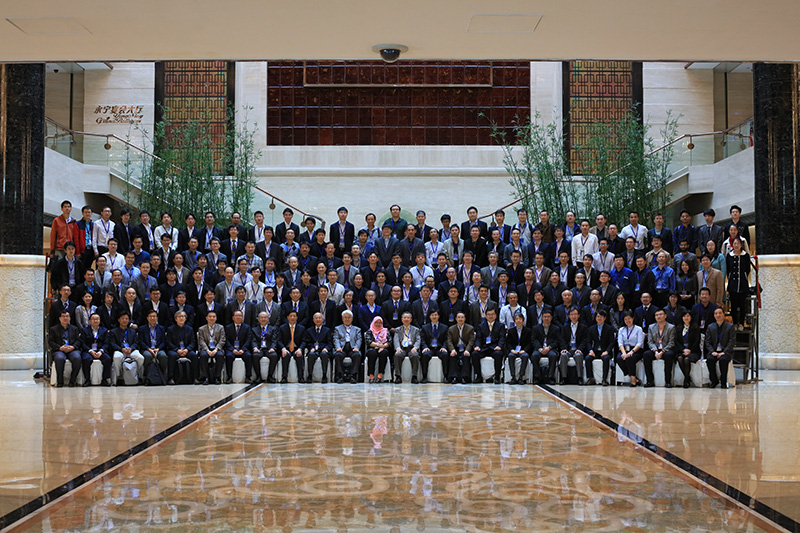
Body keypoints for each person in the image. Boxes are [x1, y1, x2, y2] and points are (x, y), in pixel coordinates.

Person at [643, 309, 676, 388]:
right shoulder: (651, 327)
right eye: (656, 315)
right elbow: (650, 342)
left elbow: (671, 342)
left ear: (665, 316)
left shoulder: (671, 327)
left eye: (660, 314)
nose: (658, 316)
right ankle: (650, 381)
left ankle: (668, 381)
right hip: (655, 349)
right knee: (646, 354)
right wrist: (655, 351)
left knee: (669, 355)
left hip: (666, 349)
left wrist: (662, 351)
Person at [49, 310, 83, 387]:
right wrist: (59, 347)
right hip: (60, 349)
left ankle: (73, 380)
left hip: (72, 349)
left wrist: (73, 347)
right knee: (60, 358)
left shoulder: (74, 328)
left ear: (70, 318)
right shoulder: (53, 329)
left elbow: (78, 340)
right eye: (63, 316)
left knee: (77, 358)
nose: (65, 318)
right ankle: (60, 380)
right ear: (59, 318)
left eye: (67, 316)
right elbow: (51, 342)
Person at [108, 312, 144, 385]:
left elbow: (136, 342)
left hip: (131, 350)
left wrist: (131, 348)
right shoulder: (113, 332)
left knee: (140, 358)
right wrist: (121, 349)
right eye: (123, 318)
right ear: (119, 320)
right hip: (120, 350)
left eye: (126, 319)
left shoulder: (133, 331)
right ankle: (119, 376)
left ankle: (135, 374)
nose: (124, 320)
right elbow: (112, 344)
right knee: (116, 357)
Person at [705, 307, 735, 389]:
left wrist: (724, 352)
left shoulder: (730, 326)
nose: (718, 315)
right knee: (710, 359)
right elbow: (707, 342)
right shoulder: (710, 327)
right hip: (714, 351)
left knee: (723, 360)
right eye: (716, 313)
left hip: (725, 351)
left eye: (720, 313)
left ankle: (723, 381)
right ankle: (714, 380)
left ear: (724, 314)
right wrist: (712, 351)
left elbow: (732, 341)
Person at [725, 237, 751, 330]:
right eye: (734, 243)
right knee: (734, 306)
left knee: (742, 305)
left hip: (743, 284)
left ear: (741, 245)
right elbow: (728, 269)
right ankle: (735, 323)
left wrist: (744, 276)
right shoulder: (729, 256)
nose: (736, 245)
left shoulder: (746, 256)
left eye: (738, 243)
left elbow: (747, 269)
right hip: (732, 284)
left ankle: (741, 324)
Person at [474, 307, 505, 384]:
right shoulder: (481, 326)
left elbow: (502, 337)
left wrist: (499, 346)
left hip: (495, 348)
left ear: (496, 316)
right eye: (489, 314)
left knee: (498, 354)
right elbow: (478, 338)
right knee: (475, 354)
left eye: (492, 314)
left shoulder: (500, 326)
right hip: (484, 348)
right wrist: (477, 346)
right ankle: (478, 376)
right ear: (485, 316)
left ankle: (497, 377)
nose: (491, 316)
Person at [585, 310, 616, 386]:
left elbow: (612, 342)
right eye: (597, 316)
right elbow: (588, 341)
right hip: (595, 351)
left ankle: (604, 379)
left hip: (605, 351)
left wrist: (607, 351)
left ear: (605, 318)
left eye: (601, 316)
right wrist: (590, 350)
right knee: (588, 358)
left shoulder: (609, 328)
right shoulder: (591, 328)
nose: (599, 318)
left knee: (606, 359)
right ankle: (590, 378)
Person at [80, 312, 112, 386]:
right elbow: (82, 343)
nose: (95, 321)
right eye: (93, 319)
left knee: (107, 359)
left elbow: (106, 343)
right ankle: (87, 379)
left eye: (97, 319)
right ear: (89, 321)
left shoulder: (104, 330)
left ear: (100, 321)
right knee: (86, 359)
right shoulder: (84, 330)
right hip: (88, 350)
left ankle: (105, 379)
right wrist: (90, 351)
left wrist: (101, 351)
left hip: (100, 350)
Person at [166, 310, 198, 384]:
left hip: (187, 350)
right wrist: (177, 350)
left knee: (194, 355)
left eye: (183, 316)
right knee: (172, 356)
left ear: (185, 319)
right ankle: (171, 378)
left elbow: (193, 342)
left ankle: (195, 378)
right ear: (175, 319)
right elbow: (168, 342)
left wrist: (187, 349)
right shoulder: (170, 329)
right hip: (175, 350)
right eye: (180, 316)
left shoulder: (190, 329)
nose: (181, 318)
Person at [530, 309, 561, 385]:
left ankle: (550, 377)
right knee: (534, 355)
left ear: (551, 318)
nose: (546, 318)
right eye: (545, 316)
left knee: (553, 355)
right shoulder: (536, 328)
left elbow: (557, 340)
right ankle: (537, 377)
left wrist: (549, 347)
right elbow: (533, 340)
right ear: (542, 317)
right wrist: (540, 348)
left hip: (550, 348)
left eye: (548, 317)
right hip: (539, 348)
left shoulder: (556, 328)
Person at [559, 308, 589, 385]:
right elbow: (562, 340)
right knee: (563, 355)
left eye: (575, 314)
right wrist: (564, 348)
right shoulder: (565, 327)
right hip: (568, 349)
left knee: (578, 356)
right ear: (569, 316)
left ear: (578, 315)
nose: (573, 316)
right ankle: (563, 378)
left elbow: (584, 341)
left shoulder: (583, 327)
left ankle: (580, 378)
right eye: (572, 314)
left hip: (578, 349)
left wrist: (580, 349)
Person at [616, 311, 645, 387]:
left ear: (633, 318)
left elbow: (639, 343)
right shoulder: (621, 329)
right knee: (619, 358)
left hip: (636, 350)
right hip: (624, 349)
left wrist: (631, 352)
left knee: (630, 359)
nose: (627, 321)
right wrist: (624, 353)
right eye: (625, 319)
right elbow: (620, 343)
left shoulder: (638, 329)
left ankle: (633, 380)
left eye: (629, 318)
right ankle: (632, 377)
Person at [224, 310, 254, 384]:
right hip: (231, 349)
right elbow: (226, 340)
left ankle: (248, 377)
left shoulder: (247, 327)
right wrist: (232, 349)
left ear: (242, 317)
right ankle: (229, 377)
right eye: (236, 316)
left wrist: (243, 349)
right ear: (233, 318)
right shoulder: (228, 327)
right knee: (229, 356)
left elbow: (248, 340)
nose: (238, 317)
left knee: (248, 356)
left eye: (240, 316)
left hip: (243, 349)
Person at [138, 309, 168, 382]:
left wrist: (158, 349)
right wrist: (149, 349)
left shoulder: (161, 328)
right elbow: (141, 342)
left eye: (154, 316)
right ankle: (146, 376)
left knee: (163, 356)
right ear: (147, 318)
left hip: (158, 349)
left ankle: (163, 376)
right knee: (147, 356)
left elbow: (164, 341)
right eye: (150, 316)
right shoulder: (142, 328)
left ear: (157, 318)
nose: (152, 318)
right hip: (147, 349)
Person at [197, 309, 226, 384]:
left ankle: (217, 377)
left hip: (217, 348)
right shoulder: (201, 328)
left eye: (213, 317)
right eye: (210, 316)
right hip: (206, 348)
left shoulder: (221, 327)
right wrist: (207, 350)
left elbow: (222, 340)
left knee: (220, 355)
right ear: (206, 318)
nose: (212, 318)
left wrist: (216, 349)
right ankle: (205, 377)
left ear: (216, 318)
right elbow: (201, 341)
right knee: (203, 355)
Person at [278, 310, 307, 383]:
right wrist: (283, 349)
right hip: (286, 348)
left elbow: (304, 341)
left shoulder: (301, 328)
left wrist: (300, 349)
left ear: (297, 318)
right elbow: (279, 340)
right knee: (285, 356)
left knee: (299, 356)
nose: (292, 318)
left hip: (297, 348)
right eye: (291, 316)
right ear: (288, 317)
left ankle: (301, 377)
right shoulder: (282, 328)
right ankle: (284, 377)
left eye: (294, 316)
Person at [333, 310, 362, 383]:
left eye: (349, 317)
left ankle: (353, 375)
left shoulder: (357, 329)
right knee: (338, 355)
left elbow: (359, 339)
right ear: (342, 318)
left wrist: (357, 347)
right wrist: (338, 347)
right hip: (342, 348)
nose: (347, 319)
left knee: (357, 355)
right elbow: (336, 339)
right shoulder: (337, 328)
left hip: (352, 348)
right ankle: (340, 375)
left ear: (352, 318)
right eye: (345, 317)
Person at [420, 309, 448, 383]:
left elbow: (446, 340)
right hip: (429, 348)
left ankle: (445, 376)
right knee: (425, 355)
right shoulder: (424, 327)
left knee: (445, 355)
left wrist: (444, 347)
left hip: (439, 348)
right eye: (432, 315)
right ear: (429, 316)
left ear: (438, 316)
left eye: (436, 315)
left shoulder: (444, 327)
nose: (434, 317)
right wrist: (425, 347)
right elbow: (422, 340)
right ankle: (424, 376)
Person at [446, 311, 475, 384]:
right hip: (456, 347)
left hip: (465, 348)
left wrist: (467, 350)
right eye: (458, 317)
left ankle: (464, 377)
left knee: (466, 356)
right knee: (453, 356)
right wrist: (452, 350)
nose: (460, 319)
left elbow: (471, 341)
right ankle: (454, 377)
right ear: (456, 319)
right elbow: (449, 341)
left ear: (465, 319)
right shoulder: (451, 329)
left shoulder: (470, 328)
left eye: (462, 317)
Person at [393, 311, 421, 383]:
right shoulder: (397, 329)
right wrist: (398, 348)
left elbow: (418, 340)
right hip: (402, 348)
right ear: (402, 319)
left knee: (415, 355)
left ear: (411, 319)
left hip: (412, 348)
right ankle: (398, 376)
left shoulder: (416, 329)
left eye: (408, 318)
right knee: (397, 355)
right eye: (404, 318)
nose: (406, 319)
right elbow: (396, 340)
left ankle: (414, 376)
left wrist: (415, 347)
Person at [675, 310, 701, 388]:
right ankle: (687, 377)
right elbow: (677, 341)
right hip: (681, 351)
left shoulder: (695, 328)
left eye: (688, 316)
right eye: (684, 316)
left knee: (686, 359)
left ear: (691, 317)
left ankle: (686, 380)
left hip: (693, 351)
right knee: (680, 358)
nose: (686, 318)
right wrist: (683, 350)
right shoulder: (678, 328)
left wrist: (690, 350)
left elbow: (697, 341)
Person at [304, 312, 332, 383]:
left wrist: (326, 348)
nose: (318, 320)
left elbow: (329, 343)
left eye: (319, 318)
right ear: (313, 320)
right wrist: (311, 348)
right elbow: (307, 342)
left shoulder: (327, 330)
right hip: (313, 350)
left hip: (323, 349)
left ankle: (324, 375)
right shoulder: (309, 330)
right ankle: (310, 375)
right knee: (311, 355)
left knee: (324, 355)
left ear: (322, 319)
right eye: (316, 318)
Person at [252, 310, 279, 383]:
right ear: (258, 319)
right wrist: (255, 348)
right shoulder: (254, 329)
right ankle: (258, 376)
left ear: (268, 319)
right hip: (259, 349)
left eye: (265, 317)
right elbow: (253, 340)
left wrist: (273, 348)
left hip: (269, 349)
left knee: (274, 356)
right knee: (255, 356)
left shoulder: (273, 329)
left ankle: (270, 376)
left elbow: (274, 340)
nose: (263, 319)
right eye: (261, 317)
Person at [365, 316, 391, 383]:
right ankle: (371, 375)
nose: (378, 324)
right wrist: (378, 345)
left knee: (384, 353)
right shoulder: (370, 331)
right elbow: (368, 341)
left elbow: (389, 341)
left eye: (380, 323)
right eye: (376, 322)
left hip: (383, 348)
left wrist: (384, 346)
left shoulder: (385, 331)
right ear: (373, 322)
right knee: (372, 353)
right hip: (372, 348)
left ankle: (380, 375)